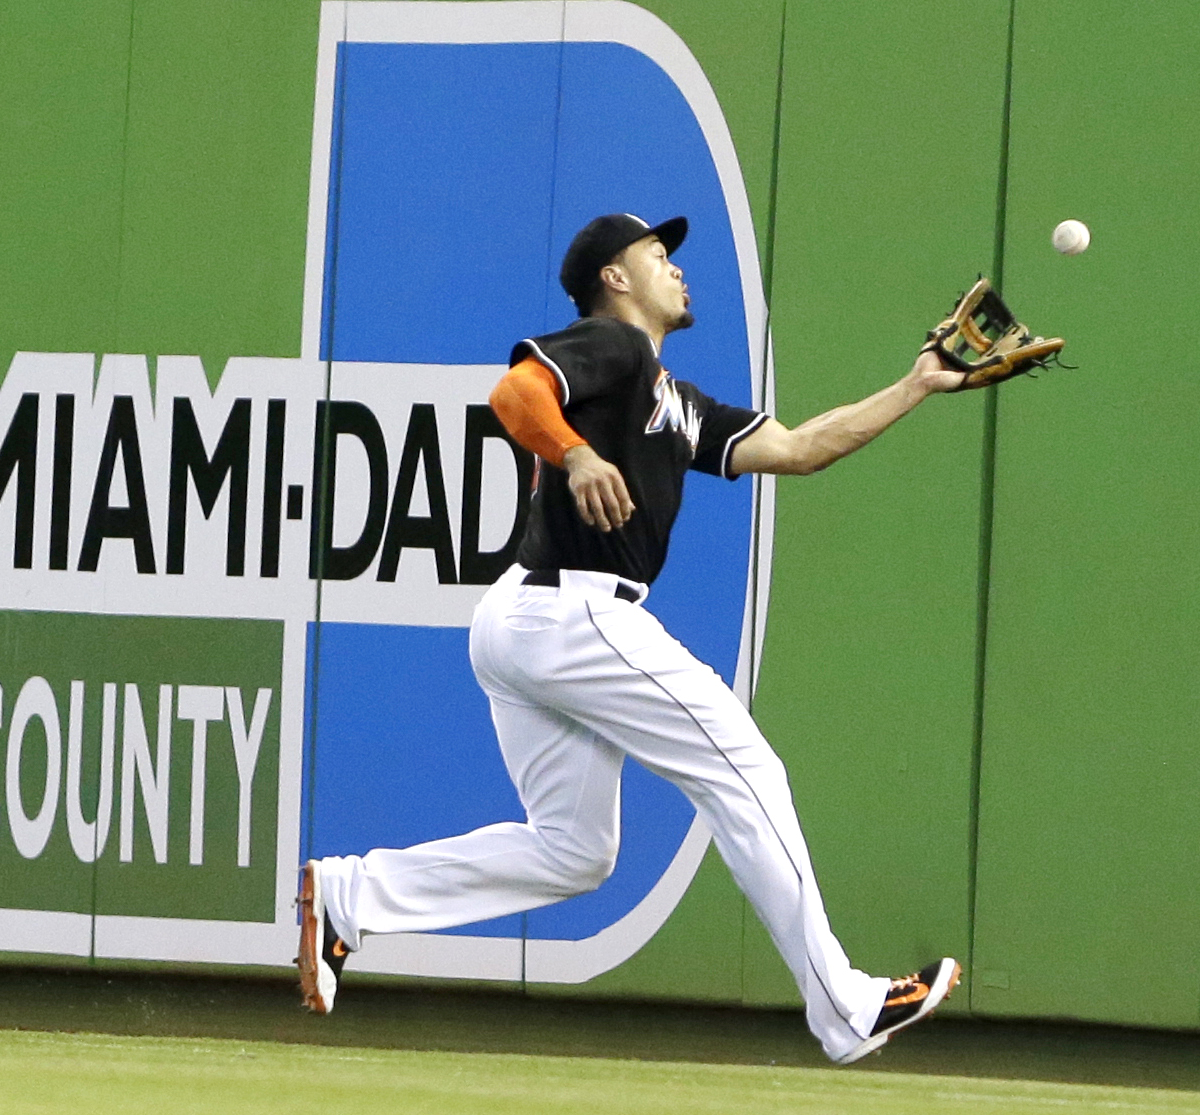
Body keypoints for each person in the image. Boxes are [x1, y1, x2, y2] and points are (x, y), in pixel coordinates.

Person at [297, 212, 964, 1064]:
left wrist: (914, 386)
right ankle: (845, 1005)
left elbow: (799, 449)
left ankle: (354, 895)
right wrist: (574, 455)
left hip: (525, 621)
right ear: (616, 278)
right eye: (659, 256)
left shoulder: (672, 400)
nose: (677, 270)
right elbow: (514, 395)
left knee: (574, 851)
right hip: (571, 614)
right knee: (746, 771)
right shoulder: (615, 349)